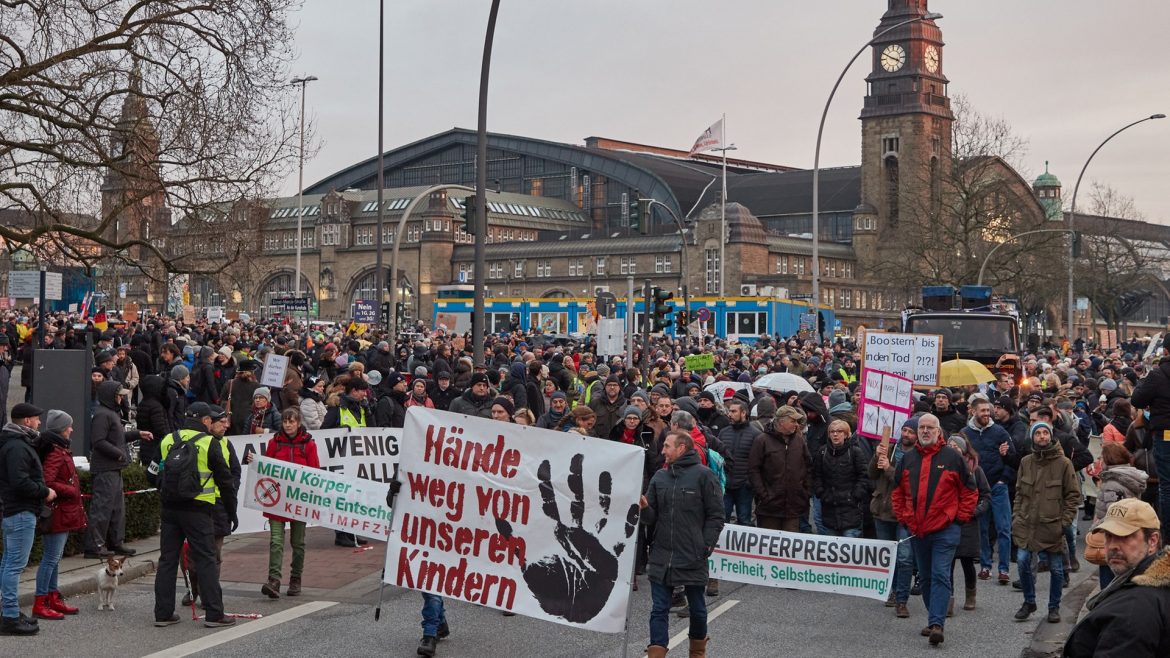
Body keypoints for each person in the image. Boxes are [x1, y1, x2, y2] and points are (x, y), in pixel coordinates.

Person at [892, 413, 978, 647]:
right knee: (927, 577)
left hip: (945, 530)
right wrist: (904, 517)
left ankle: (937, 624)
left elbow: (970, 491)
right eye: (922, 428)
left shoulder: (952, 457)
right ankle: (934, 619)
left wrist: (959, 518)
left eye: (930, 427)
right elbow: (897, 491)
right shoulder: (908, 458)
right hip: (918, 530)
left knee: (940, 574)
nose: (926, 431)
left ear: (939, 431)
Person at [152, 402, 238, 628]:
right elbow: (225, 481)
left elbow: (151, 472)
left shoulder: (169, 439)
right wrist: (232, 512)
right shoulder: (209, 442)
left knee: (167, 560)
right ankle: (214, 614)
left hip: (170, 509)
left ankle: (163, 614)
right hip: (198, 510)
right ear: (205, 421)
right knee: (206, 560)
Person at [641, 430, 725, 658]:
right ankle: (656, 653)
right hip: (661, 556)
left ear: (681, 448)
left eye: (667, 446)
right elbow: (650, 519)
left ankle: (697, 653)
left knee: (697, 609)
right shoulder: (659, 477)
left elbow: (716, 515)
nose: (662, 450)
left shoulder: (704, 476)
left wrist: (705, 546)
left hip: (692, 555)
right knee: (659, 609)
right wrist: (643, 508)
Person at [1061, 498, 1169, 657]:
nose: (1112, 546)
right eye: (1109, 536)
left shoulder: (1132, 611)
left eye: (1124, 536)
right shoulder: (1145, 587)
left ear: (1152, 540)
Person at [1011, 421, 1080, 624]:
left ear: (1051, 436)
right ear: (1032, 437)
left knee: (1057, 569)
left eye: (1045, 433)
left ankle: (1053, 607)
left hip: (1052, 525)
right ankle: (1029, 601)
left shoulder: (1063, 463)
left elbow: (1073, 495)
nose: (1042, 436)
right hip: (1027, 523)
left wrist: (1064, 522)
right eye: (1038, 433)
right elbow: (1019, 493)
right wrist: (1017, 516)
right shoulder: (1025, 462)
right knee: (1023, 560)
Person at [0, 403, 56, 635]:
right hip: (21, 511)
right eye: (36, 418)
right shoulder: (17, 447)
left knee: (8, 563)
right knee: (14, 565)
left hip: (16, 510)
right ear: (25, 421)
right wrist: (45, 492)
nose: (39, 423)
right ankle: (10, 616)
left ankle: (8, 611)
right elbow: (20, 481)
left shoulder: (16, 443)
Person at [257, 408, 319, 598]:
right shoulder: (274, 443)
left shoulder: (308, 444)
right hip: (278, 501)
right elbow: (266, 468)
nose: (288, 425)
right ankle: (273, 580)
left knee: (298, 542)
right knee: (276, 541)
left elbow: (315, 472)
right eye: (285, 422)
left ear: (298, 422)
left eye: (291, 421)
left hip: (299, 501)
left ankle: (295, 579)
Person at [85, 380, 149, 558]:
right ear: (110, 396)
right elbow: (98, 441)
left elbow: (116, 438)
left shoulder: (109, 413)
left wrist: (137, 434)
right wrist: (118, 454)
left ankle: (115, 542)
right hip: (106, 468)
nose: (121, 398)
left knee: (116, 509)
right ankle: (95, 546)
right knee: (103, 508)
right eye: (119, 395)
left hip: (113, 467)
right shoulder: (102, 415)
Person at [32, 411, 86, 621]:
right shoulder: (55, 451)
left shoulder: (58, 448)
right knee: (51, 558)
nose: (71, 429)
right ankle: (41, 600)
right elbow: (48, 481)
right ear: (61, 428)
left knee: (55, 558)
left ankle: (52, 596)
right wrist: (71, 491)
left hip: (62, 511)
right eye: (69, 426)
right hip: (57, 512)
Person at [962, 396, 1017, 585]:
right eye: (983, 411)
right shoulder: (965, 434)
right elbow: (960, 460)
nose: (987, 414)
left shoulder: (1000, 431)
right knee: (983, 529)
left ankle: (1004, 569)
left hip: (998, 487)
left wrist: (1004, 480)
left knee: (1003, 529)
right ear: (973, 411)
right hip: (977, 489)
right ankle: (985, 566)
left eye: (988, 410)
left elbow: (1013, 457)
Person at [870, 417, 917, 618]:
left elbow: (907, 482)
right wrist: (877, 457)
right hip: (883, 510)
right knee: (887, 557)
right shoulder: (889, 447)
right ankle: (892, 590)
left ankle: (902, 599)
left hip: (905, 514)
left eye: (910, 432)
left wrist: (889, 468)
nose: (906, 434)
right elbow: (871, 474)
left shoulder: (918, 456)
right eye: (904, 430)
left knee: (905, 558)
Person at [1091, 443, 1147, 589]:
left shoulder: (1112, 484)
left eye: (1101, 457)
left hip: (1113, 536)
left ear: (1108, 459)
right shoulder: (1128, 476)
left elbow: (1113, 515)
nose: (1099, 460)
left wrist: (1096, 527)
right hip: (1128, 533)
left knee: (1109, 580)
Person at [748, 405, 811, 532]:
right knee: (768, 547)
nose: (796, 425)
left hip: (793, 507)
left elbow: (808, 467)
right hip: (769, 508)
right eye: (793, 421)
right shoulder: (762, 440)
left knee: (790, 547)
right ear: (781, 422)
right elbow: (753, 470)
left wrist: (805, 492)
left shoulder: (799, 441)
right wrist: (764, 495)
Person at [1128, 348, 1170, 539]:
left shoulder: (1157, 374)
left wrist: (1144, 381)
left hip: (1166, 433)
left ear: (1166, 350)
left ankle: (1167, 537)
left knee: (1167, 485)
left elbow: (1137, 399)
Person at [947, 434, 990, 615]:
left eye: (955, 446)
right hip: (948, 520)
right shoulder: (943, 467)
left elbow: (986, 495)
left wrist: (974, 512)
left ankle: (970, 593)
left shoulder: (975, 470)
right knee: (947, 564)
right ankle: (947, 599)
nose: (951, 449)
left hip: (968, 521)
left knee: (966, 562)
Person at [812, 419, 868, 537]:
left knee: (850, 550)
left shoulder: (855, 452)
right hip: (829, 510)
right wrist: (821, 493)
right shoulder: (822, 452)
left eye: (839, 431)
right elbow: (817, 475)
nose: (835, 434)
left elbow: (863, 476)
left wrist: (855, 495)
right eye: (832, 431)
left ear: (847, 434)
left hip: (851, 511)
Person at [717, 398, 759, 527]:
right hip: (726, 484)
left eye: (734, 411)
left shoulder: (755, 434)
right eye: (729, 411)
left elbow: (757, 461)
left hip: (744, 486)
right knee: (722, 520)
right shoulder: (724, 433)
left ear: (743, 413)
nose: (730, 414)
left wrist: (749, 482)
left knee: (744, 521)